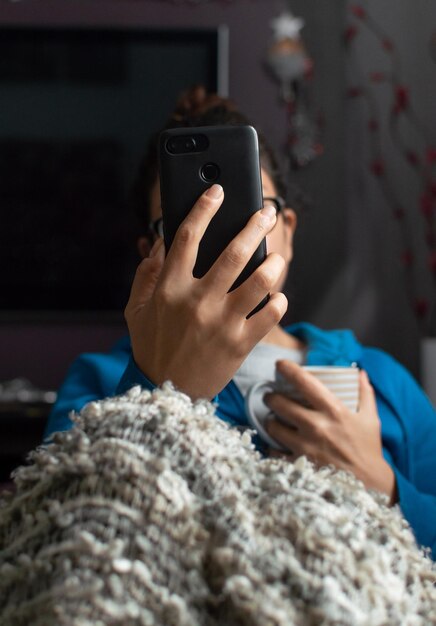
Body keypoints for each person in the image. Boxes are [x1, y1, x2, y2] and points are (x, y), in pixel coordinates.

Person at [45, 86, 436, 559]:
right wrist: (166, 392)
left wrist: (386, 487)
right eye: (180, 223)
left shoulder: (382, 381)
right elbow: (56, 549)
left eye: (249, 212)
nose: (220, 236)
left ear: (287, 231)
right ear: (151, 256)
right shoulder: (99, 383)